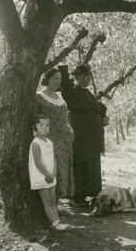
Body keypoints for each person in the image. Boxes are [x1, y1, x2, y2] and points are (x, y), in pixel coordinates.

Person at [58, 58, 108, 207]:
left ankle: (87, 194)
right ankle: (75, 196)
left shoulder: (88, 93)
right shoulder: (71, 92)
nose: (88, 78)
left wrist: (102, 118)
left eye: (89, 75)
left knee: (90, 166)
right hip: (80, 137)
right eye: (85, 75)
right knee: (79, 165)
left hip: (92, 139)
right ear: (76, 77)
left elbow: (98, 108)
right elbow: (65, 84)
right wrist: (63, 66)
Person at [35, 68, 75, 206]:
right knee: (52, 171)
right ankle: (50, 207)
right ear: (47, 79)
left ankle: (56, 205)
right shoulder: (39, 97)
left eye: (59, 79)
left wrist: (71, 129)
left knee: (62, 171)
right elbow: (36, 120)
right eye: (55, 78)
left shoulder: (60, 97)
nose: (58, 82)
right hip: (50, 139)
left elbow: (65, 117)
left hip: (64, 140)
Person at [29, 114, 68, 230]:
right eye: (41, 125)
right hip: (41, 176)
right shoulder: (35, 143)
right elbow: (37, 162)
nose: (45, 127)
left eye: (47, 125)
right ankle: (55, 223)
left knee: (53, 200)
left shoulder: (50, 142)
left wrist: (54, 173)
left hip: (51, 175)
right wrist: (47, 175)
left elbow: (53, 160)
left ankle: (57, 221)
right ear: (35, 127)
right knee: (47, 201)